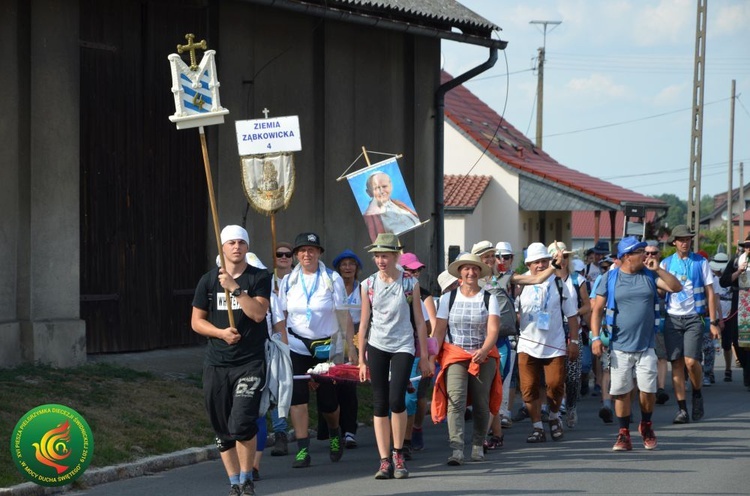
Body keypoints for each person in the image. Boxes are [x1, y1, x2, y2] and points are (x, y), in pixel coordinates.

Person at [191, 225, 272, 496]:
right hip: (217, 363)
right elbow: (196, 322)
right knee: (222, 428)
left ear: (247, 247)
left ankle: (248, 478)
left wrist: (236, 289)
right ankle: (235, 483)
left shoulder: (259, 277)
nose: (236, 247)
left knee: (241, 423)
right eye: (231, 243)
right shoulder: (208, 281)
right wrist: (220, 333)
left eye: (241, 242)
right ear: (222, 248)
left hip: (250, 362)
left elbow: (259, 314)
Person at [590, 237, 682, 451]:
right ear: (626, 257)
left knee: (648, 390)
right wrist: (595, 338)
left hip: (646, 345)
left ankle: (646, 425)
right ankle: (623, 433)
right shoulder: (610, 278)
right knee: (621, 392)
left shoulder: (650, 275)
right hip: (619, 345)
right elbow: (597, 311)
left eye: (647, 252)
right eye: (641, 252)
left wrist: (658, 269)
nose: (647, 255)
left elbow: (676, 287)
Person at [279, 232, 357, 469]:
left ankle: (335, 433)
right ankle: (303, 449)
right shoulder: (289, 281)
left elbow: (344, 314)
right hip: (297, 343)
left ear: (320, 253)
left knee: (327, 399)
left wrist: (350, 348)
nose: (307, 254)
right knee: (298, 397)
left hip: (326, 344)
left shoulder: (331, 279)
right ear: (296, 255)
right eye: (302, 250)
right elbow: (281, 316)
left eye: (311, 250)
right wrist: (281, 345)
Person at [358, 233, 432, 479]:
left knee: (396, 399)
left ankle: (399, 453)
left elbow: (420, 322)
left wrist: (424, 357)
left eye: (385, 255)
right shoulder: (368, 284)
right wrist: (360, 359)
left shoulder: (410, 283)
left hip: (403, 345)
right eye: (377, 255)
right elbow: (364, 323)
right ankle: (384, 460)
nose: (381, 260)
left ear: (395, 256)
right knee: (379, 402)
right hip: (377, 345)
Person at [431, 253, 502, 465]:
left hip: (483, 355)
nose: (470, 272)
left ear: (480, 272)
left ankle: (478, 444)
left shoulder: (490, 298)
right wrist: (431, 355)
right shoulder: (448, 298)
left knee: (481, 402)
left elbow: (493, 330)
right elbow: (439, 330)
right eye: (466, 269)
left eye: (474, 269)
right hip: (455, 354)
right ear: (460, 273)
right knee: (456, 401)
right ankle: (457, 448)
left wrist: (484, 350)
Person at [516, 242, 580, 443]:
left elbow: (572, 315)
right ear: (529, 264)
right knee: (529, 388)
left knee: (555, 386)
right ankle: (536, 426)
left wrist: (575, 341)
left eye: (544, 260)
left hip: (554, 343)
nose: (541, 265)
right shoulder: (520, 284)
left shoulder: (560, 283)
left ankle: (553, 417)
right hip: (527, 344)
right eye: (536, 262)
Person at [660, 225, 720, 423]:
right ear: (674, 242)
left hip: (694, 317)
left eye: (688, 239)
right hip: (672, 318)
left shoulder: (700, 262)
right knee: (676, 363)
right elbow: (660, 290)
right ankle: (682, 409)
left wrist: (713, 321)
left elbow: (710, 292)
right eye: (681, 239)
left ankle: (697, 392)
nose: (685, 243)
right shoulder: (666, 263)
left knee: (691, 361)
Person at [318, 249, 364, 449]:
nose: (347, 268)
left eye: (351, 264)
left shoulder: (363, 289)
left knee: (348, 385)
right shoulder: (330, 287)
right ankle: (328, 429)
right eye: (343, 264)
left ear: (357, 268)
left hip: (354, 338)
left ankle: (349, 431)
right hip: (331, 338)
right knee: (328, 383)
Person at [547, 242, 591, 430]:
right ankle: (553, 409)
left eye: (565, 257)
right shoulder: (546, 279)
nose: (562, 260)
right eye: (558, 257)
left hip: (573, 331)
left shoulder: (576, 279)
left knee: (573, 375)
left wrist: (572, 312)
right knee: (554, 375)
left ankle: (571, 406)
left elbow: (588, 305)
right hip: (552, 332)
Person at [399, 252, 436, 454]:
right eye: (409, 270)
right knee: (393, 400)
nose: (414, 274)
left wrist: (427, 358)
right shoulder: (376, 288)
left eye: (417, 270)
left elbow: (428, 325)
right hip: (388, 351)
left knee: (411, 399)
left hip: (413, 351)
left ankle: (409, 437)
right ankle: (393, 443)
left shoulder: (418, 295)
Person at [269, 241, 294, 456]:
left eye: (288, 254)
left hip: (300, 336)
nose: (284, 257)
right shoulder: (266, 281)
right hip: (277, 338)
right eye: (279, 254)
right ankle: (280, 433)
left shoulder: (300, 279)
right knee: (279, 386)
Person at [719, 236, 750, 390]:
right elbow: (723, 281)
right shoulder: (737, 260)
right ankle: (745, 366)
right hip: (741, 302)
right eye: (747, 245)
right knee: (737, 340)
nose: (749, 248)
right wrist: (738, 271)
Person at [645, 243, 671, 405]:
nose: (650, 256)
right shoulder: (638, 270)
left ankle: (660, 388)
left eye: (653, 253)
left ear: (659, 254)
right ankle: (646, 388)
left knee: (661, 356)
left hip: (660, 317)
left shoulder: (661, 269)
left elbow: (663, 291)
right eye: (646, 253)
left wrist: (656, 271)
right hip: (642, 320)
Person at [362, 171, 420, 240]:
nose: (382, 191)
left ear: (391, 186)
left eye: (384, 186)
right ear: (369, 193)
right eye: (377, 188)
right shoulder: (369, 217)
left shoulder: (398, 203)